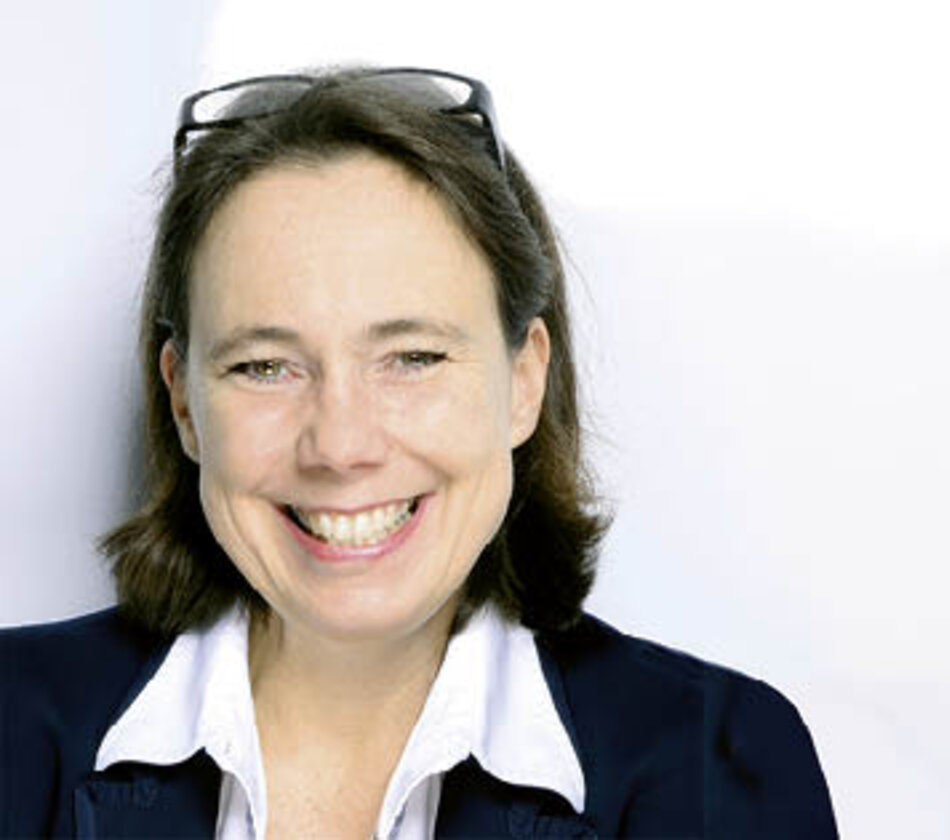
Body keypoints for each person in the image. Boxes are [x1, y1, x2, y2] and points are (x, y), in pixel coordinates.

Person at [0, 66, 837, 838]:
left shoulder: (717, 765)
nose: (340, 445)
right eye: (264, 366)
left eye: (412, 357)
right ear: (185, 403)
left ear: (523, 382)